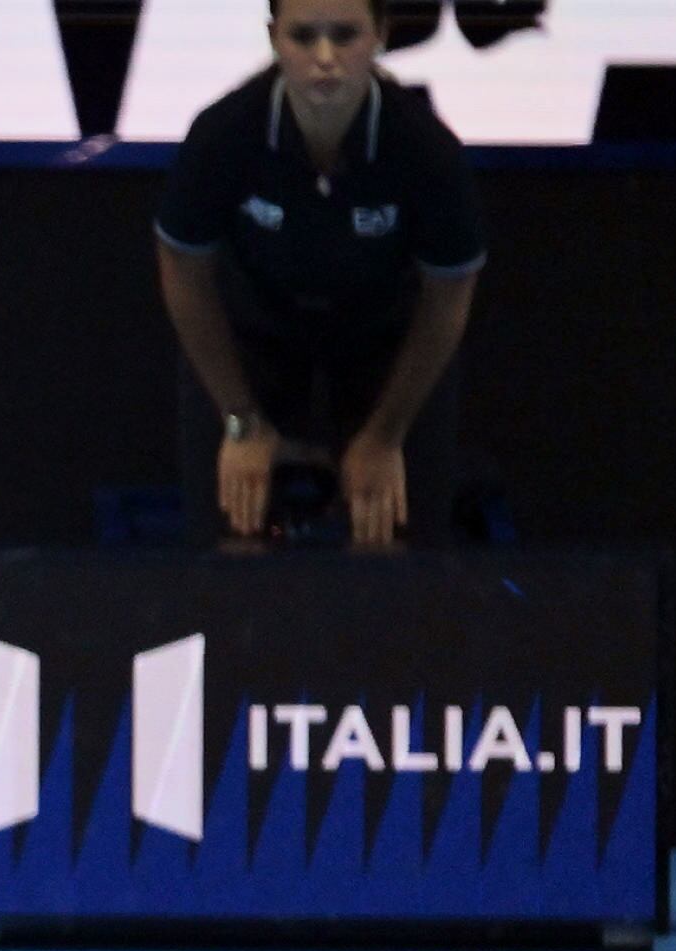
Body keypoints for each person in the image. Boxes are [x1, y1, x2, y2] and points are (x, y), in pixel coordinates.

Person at [154, 0, 485, 547]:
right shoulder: (225, 135)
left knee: (392, 540)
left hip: (384, 340)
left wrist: (385, 435)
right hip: (254, 336)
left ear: (381, 34)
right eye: (304, 37)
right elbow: (182, 267)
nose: (325, 58)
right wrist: (240, 420)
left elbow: (449, 295)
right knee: (232, 538)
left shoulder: (426, 151)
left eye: (346, 35)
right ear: (273, 39)